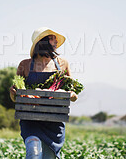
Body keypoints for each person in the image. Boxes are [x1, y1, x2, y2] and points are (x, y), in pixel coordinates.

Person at [9, 27, 78, 159]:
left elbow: (74, 94)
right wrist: (12, 93)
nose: (56, 42)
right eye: (52, 38)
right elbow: (15, 98)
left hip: (54, 123)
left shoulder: (63, 64)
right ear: (42, 42)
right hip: (31, 120)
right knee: (33, 152)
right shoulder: (25, 65)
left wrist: (69, 94)